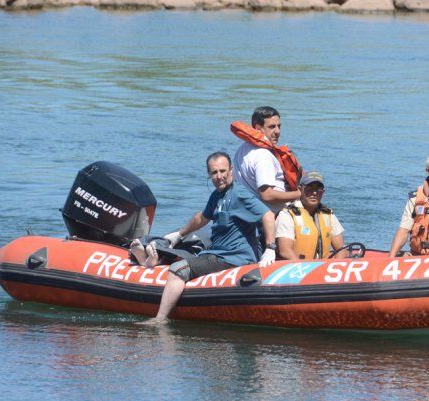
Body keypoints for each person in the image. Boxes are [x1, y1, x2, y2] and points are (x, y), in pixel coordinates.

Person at [140, 151, 276, 323]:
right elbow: (203, 217)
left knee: (177, 270)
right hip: (215, 253)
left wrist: (270, 249)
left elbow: (268, 215)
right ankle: (152, 259)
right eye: (214, 172)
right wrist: (179, 234)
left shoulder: (240, 194)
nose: (219, 176)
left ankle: (160, 319)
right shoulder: (218, 195)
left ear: (231, 171)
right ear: (209, 174)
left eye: (222, 171)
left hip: (233, 257)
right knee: (179, 253)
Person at [233, 106, 301, 214]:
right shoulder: (263, 156)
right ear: (258, 128)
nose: (277, 131)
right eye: (272, 127)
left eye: (279, 126)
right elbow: (267, 195)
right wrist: (300, 194)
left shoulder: (242, 150)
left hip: (249, 214)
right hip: (272, 217)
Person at [275, 171, 348, 260]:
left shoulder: (328, 214)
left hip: (321, 268)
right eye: (309, 189)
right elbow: (285, 251)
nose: (314, 193)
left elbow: (341, 249)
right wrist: (304, 269)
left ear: (323, 192)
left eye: (318, 189)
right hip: (296, 269)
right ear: (300, 189)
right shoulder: (287, 215)